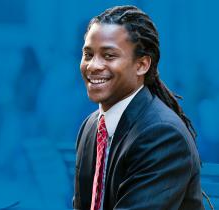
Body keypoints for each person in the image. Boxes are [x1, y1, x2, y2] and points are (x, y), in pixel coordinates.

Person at [73, 5, 204, 210]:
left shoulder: (162, 135)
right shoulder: (91, 127)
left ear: (142, 65)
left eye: (109, 56)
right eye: (88, 54)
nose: (93, 66)